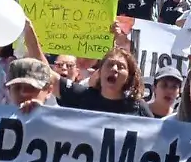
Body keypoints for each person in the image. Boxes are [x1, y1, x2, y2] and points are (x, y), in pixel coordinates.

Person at [22, 19, 152, 117]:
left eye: (121, 66)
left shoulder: (139, 109)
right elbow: (47, 73)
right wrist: (29, 32)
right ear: (99, 72)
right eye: (110, 64)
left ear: (129, 76)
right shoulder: (82, 97)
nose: (114, 69)